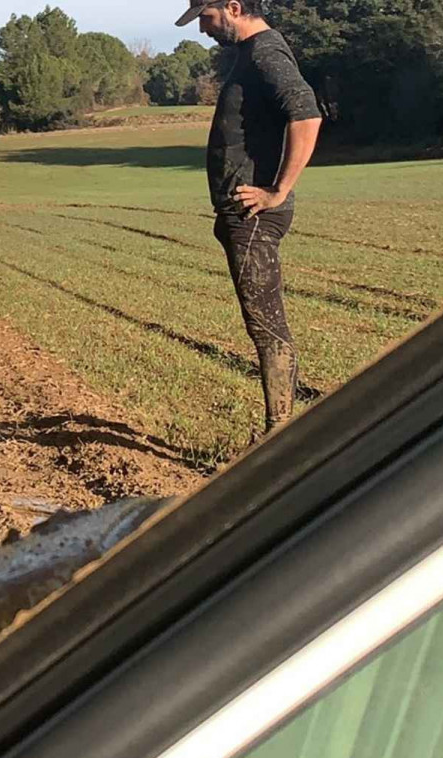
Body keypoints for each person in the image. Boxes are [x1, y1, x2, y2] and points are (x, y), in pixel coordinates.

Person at [176, 0, 323, 434]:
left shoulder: (264, 52)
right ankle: (283, 434)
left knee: (266, 325)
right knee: (263, 322)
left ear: (234, 7)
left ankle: (279, 440)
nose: (202, 30)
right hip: (239, 213)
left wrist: (278, 189)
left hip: (254, 212)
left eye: (205, 18)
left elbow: (307, 113)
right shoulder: (249, 54)